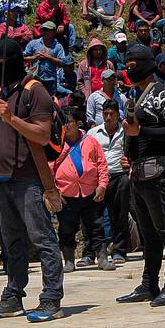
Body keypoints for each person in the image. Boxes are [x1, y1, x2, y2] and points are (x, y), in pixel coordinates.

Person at [0, 38, 66, 323]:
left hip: (29, 178)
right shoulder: (1, 92)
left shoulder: (34, 91)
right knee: (12, 242)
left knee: (42, 239)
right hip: (3, 180)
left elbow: (41, 134)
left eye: (1, 63)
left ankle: (52, 298)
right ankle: (13, 295)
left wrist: (12, 118)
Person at [116, 42, 165, 307]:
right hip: (137, 172)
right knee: (148, 234)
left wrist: (140, 133)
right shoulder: (137, 93)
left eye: (132, 66)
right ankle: (149, 283)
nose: (129, 70)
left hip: (157, 171)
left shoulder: (161, 92)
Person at [52, 109, 110, 272]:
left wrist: (102, 185)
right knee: (66, 227)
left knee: (96, 226)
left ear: (78, 124)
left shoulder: (91, 141)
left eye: (68, 122)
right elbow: (49, 168)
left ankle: (102, 258)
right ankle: (69, 260)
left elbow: (101, 164)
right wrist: (54, 190)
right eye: (63, 123)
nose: (65, 126)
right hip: (66, 194)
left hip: (90, 192)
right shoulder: (57, 145)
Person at [89, 100, 131, 266]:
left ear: (118, 115)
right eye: (105, 114)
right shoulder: (93, 133)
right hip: (98, 179)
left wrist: (130, 164)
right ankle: (96, 251)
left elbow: (133, 151)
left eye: (111, 114)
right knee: (96, 217)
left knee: (119, 215)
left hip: (119, 176)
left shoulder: (126, 132)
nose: (108, 117)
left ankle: (119, 251)